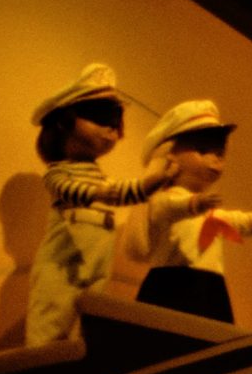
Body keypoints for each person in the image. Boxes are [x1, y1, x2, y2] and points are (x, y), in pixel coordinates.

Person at [26, 63, 176, 345]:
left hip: (97, 266)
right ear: (64, 122)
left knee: (85, 331)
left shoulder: (101, 179)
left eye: (115, 120)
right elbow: (70, 191)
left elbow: (124, 192)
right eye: (99, 117)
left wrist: (153, 182)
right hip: (62, 266)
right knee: (49, 325)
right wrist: (101, 193)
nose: (110, 129)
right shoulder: (59, 172)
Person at [136, 99, 252, 323]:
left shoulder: (207, 208)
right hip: (172, 285)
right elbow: (165, 209)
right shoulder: (165, 199)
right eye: (203, 150)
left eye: (220, 153)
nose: (216, 159)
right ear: (170, 154)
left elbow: (234, 220)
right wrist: (193, 205)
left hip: (209, 288)